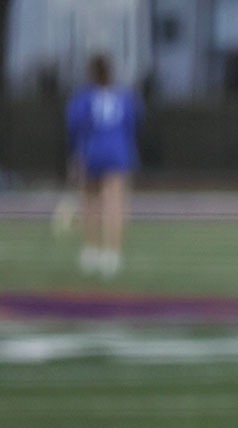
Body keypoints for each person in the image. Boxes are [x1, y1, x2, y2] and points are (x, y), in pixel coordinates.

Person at [65, 53, 142, 278]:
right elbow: (133, 123)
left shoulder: (83, 97)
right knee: (115, 204)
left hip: (92, 151)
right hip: (117, 152)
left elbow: (75, 127)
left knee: (89, 202)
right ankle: (113, 254)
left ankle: (90, 251)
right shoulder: (125, 96)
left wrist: (74, 156)